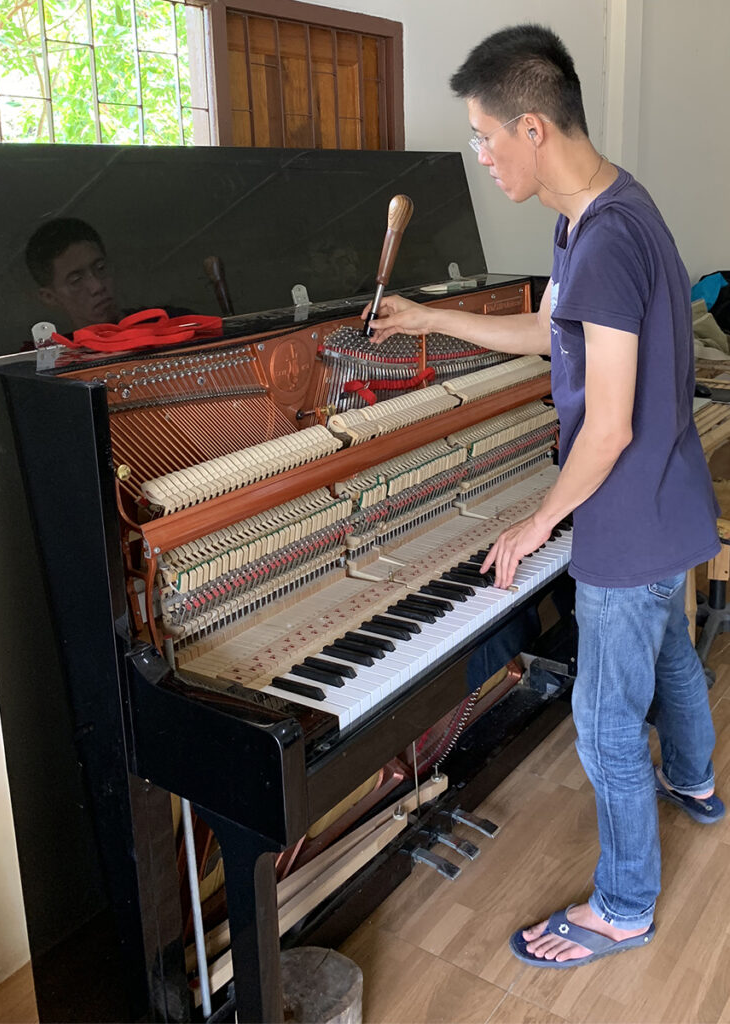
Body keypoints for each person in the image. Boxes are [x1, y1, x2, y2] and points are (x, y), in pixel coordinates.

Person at [363, 23, 723, 968]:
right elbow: (544, 330)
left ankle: (624, 907)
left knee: (603, 726)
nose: (480, 158)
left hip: (628, 515)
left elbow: (605, 429)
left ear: (531, 127)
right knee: (674, 655)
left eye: (483, 138)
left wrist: (534, 521)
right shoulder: (602, 210)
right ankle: (693, 782)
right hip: (671, 494)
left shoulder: (602, 242)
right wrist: (428, 318)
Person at [25, 217, 120, 332]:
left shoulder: (147, 326)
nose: (97, 286)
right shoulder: (52, 349)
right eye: (76, 280)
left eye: (101, 268)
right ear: (49, 297)